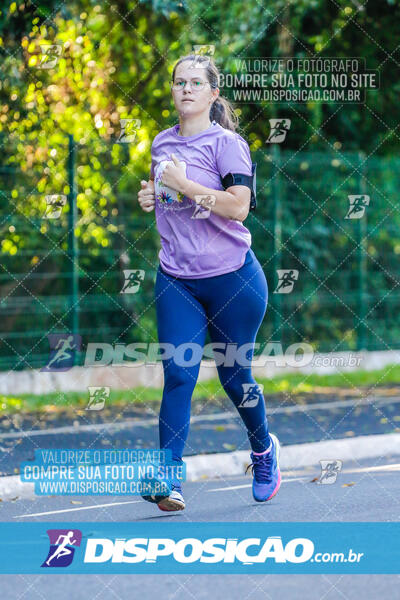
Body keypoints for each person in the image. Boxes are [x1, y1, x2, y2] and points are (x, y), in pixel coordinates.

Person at [137, 54, 281, 511]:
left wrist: (181, 184)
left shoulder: (229, 144)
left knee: (235, 379)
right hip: (177, 278)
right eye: (179, 82)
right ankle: (169, 479)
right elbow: (169, 197)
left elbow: (238, 207)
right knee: (178, 374)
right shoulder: (161, 142)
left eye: (196, 83)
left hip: (233, 280)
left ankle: (263, 451)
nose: (186, 89)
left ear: (213, 94)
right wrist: (154, 193)